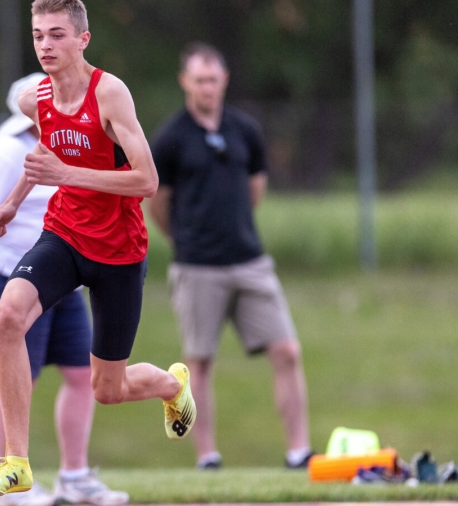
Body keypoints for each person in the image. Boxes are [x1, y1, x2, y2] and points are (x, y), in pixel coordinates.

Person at [0, 0, 196, 498]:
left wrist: (66, 175)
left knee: (107, 390)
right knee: (8, 317)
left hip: (119, 251)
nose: (46, 46)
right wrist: (11, 204)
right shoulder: (36, 99)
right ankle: (17, 463)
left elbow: (148, 181)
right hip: (65, 234)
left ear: (82, 39)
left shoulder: (110, 93)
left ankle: (170, 385)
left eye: (56, 35)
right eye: (37, 36)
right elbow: (45, 155)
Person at [0, 73, 128, 506]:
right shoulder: (10, 151)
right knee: (18, 378)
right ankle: (12, 485)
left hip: (62, 273)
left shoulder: (74, 146)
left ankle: (75, 475)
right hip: (7, 273)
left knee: (79, 373)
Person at [147, 42, 313, 470]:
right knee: (199, 362)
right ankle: (207, 457)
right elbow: (158, 203)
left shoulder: (245, 130)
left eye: (214, 79)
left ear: (224, 80)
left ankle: (298, 451)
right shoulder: (171, 138)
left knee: (287, 351)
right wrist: (183, 239)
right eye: (199, 79)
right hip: (198, 265)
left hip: (249, 259)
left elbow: (255, 187)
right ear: (185, 81)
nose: (207, 87)